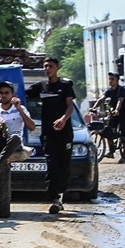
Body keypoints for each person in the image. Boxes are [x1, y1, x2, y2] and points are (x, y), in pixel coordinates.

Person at [28, 57, 76, 214]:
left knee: (64, 165)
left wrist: (63, 119)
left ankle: (60, 195)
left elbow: (70, 106)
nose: (47, 69)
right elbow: (21, 93)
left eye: (50, 66)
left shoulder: (65, 85)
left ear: (57, 68)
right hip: (48, 133)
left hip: (65, 132)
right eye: (45, 66)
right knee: (51, 163)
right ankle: (55, 198)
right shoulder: (40, 87)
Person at [0, 81, 36, 184]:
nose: (3, 95)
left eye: (6, 93)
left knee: (15, 138)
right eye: (1, 93)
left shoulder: (20, 109)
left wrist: (19, 109)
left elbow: (32, 127)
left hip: (14, 143)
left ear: (12, 95)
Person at [101, 72, 125, 160]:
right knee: (108, 131)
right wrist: (93, 108)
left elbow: (120, 101)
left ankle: (124, 157)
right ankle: (111, 151)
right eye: (110, 79)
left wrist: (116, 110)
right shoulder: (109, 90)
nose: (110, 81)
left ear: (117, 80)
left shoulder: (122, 90)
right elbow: (101, 98)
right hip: (115, 113)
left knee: (123, 132)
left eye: (113, 79)